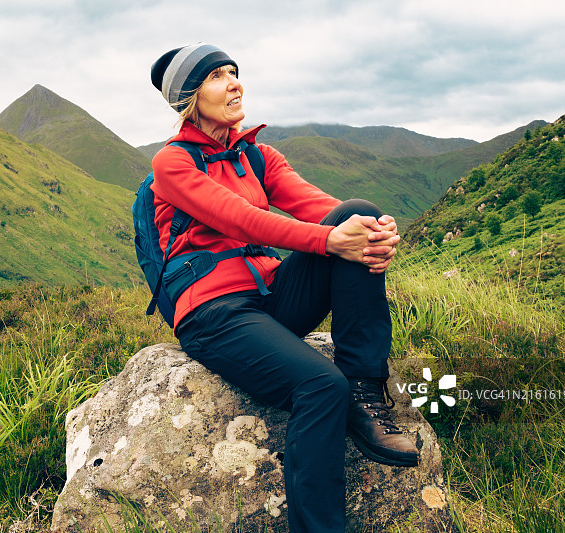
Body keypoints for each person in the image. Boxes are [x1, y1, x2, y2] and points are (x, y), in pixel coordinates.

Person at [149, 43, 418, 533]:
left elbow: (319, 207)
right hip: (215, 314)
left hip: (271, 297)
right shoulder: (173, 164)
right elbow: (242, 219)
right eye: (216, 76)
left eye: (234, 72)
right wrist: (331, 241)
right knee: (321, 385)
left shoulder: (258, 156)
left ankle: (364, 389)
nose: (234, 82)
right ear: (189, 98)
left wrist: (372, 231)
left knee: (357, 211)